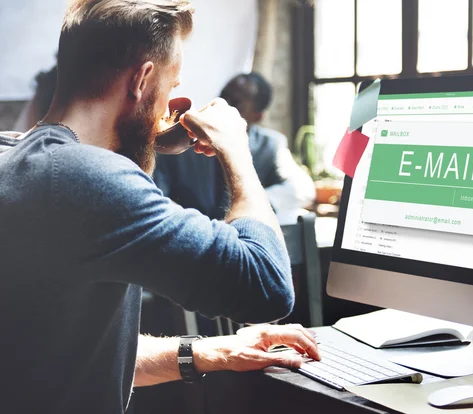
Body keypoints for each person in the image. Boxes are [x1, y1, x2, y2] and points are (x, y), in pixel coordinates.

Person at [0, 1, 319, 413]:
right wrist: (237, 151)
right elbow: (268, 286)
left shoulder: (16, 157)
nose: (168, 105)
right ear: (143, 79)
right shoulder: (87, 177)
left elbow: (64, 353)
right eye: (171, 86)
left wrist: (214, 351)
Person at [153, 72, 316, 222]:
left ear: (257, 116)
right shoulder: (182, 140)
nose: (224, 104)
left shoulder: (270, 145)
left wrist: (253, 205)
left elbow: (302, 188)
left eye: (236, 102)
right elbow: (156, 195)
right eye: (223, 96)